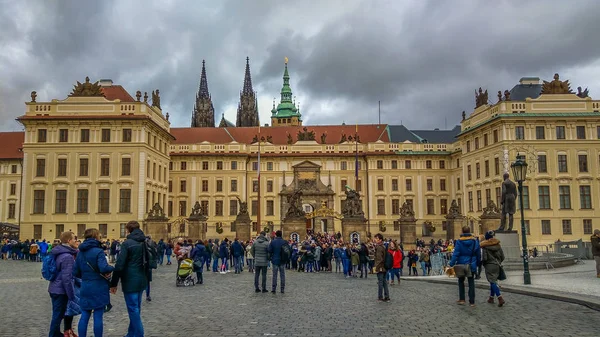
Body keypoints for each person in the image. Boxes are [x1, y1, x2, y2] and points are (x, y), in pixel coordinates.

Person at [110, 221, 149, 337]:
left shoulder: (127, 243)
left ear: (128, 230)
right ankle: (131, 333)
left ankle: (139, 333)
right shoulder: (144, 242)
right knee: (136, 308)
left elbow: (120, 264)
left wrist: (114, 283)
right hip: (141, 278)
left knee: (133, 309)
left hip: (130, 279)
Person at [73, 228, 114, 337]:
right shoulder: (98, 251)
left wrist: (86, 276)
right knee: (98, 315)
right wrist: (112, 268)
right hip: (98, 286)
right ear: (96, 237)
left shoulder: (80, 252)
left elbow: (75, 271)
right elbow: (103, 268)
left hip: (85, 285)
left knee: (85, 314)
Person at [47, 232, 78, 337]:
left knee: (57, 314)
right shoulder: (67, 256)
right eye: (74, 239)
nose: (76, 241)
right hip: (61, 290)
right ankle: (53, 334)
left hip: (54, 287)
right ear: (69, 241)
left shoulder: (58, 252)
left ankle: (56, 333)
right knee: (58, 315)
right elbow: (67, 278)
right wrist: (71, 295)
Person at [449, 226, 481, 307]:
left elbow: (456, 253)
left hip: (461, 263)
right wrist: (478, 263)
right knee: (471, 282)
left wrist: (451, 263)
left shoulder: (459, 241)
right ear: (469, 231)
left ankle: (462, 299)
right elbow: (478, 253)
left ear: (462, 232)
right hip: (471, 263)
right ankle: (472, 301)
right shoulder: (474, 241)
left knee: (461, 281)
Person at [481, 230, 506, 307]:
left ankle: (500, 297)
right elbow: (502, 256)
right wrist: (498, 261)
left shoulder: (485, 246)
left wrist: (484, 264)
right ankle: (491, 298)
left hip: (489, 265)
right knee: (493, 281)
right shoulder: (498, 245)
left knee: (492, 281)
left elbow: (484, 258)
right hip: (497, 265)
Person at [374, 233, 390, 302]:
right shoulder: (383, 246)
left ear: (380, 240)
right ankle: (387, 296)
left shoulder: (379, 247)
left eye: (376, 238)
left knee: (380, 282)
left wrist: (376, 268)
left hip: (380, 267)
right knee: (384, 282)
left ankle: (380, 297)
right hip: (384, 267)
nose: (375, 240)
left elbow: (379, 259)